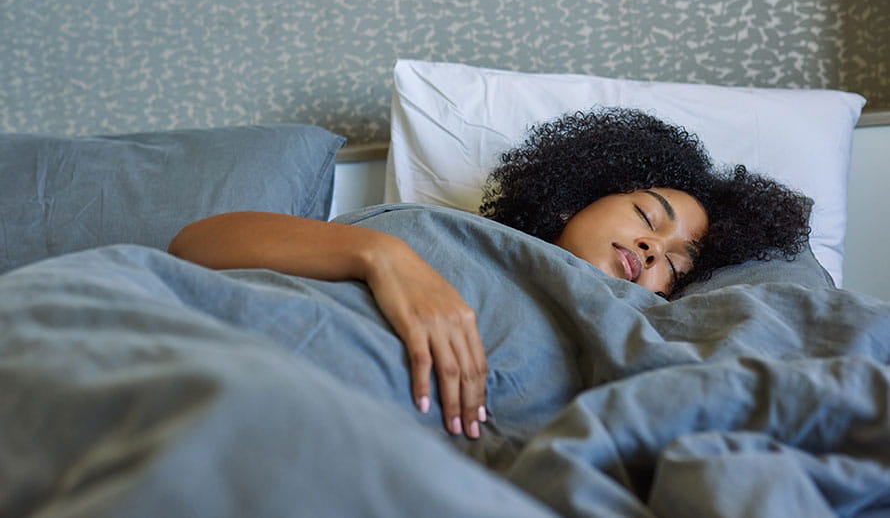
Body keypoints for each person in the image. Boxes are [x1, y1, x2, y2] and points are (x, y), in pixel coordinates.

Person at [168, 107, 811, 440]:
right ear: (579, 195)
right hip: (227, 350)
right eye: (649, 215)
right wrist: (383, 257)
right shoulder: (426, 228)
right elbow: (195, 245)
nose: (652, 248)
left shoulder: (636, 325)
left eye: (676, 262)